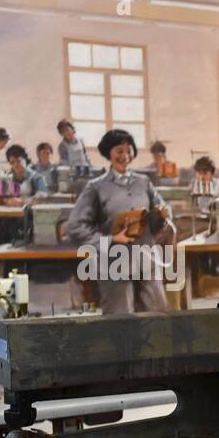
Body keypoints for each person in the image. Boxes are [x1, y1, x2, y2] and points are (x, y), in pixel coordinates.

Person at [65, 128, 173, 314]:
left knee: (158, 319)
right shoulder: (96, 187)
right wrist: (111, 239)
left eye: (129, 150)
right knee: (120, 324)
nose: (126, 156)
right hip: (113, 264)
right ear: (109, 154)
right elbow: (74, 226)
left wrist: (161, 215)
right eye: (119, 151)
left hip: (145, 260)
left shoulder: (144, 182)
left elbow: (156, 222)